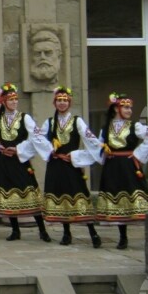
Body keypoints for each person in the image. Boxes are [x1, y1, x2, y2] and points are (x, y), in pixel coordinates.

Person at [33, 86, 103, 247]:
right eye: (59, 100)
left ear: (69, 102)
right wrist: (50, 149)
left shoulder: (77, 121)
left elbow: (91, 140)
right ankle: (66, 233)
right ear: (54, 103)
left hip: (71, 166)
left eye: (65, 100)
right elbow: (38, 139)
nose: (62, 103)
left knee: (80, 195)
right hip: (56, 165)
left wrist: (77, 155)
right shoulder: (49, 122)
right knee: (61, 196)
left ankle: (93, 232)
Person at [0, 83, 51, 242]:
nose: (14, 102)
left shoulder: (24, 118)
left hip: (19, 161)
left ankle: (42, 230)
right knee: (8, 195)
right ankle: (15, 230)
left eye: (16, 99)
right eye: (11, 99)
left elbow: (36, 137)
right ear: (3, 101)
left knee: (30, 193)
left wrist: (19, 149)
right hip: (3, 162)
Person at [96, 92, 148, 250]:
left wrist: (138, 155)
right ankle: (123, 237)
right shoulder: (106, 128)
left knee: (136, 197)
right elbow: (98, 146)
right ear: (116, 109)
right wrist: (104, 152)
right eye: (126, 107)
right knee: (118, 199)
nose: (129, 110)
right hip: (112, 167)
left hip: (129, 166)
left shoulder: (134, 126)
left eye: (130, 108)